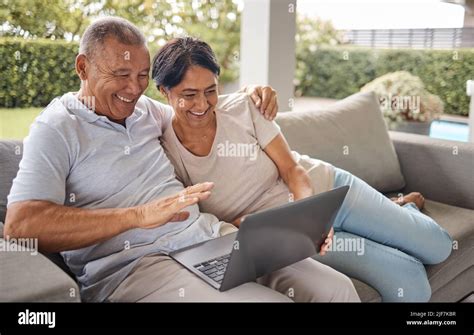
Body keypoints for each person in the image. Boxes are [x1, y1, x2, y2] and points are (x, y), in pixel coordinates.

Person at [4, 17, 359, 303]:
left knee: (336, 288)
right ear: (83, 67)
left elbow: (195, 105)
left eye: (142, 76)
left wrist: (251, 95)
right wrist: (138, 217)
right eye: (121, 75)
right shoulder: (56, 128)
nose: (132, 89)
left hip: (205, 237)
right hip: (135, 267)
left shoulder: (144, 111)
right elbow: (21, 226)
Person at [155, 37, 453, 302]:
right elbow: (200, 222)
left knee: (439, 248)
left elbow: (292, 169)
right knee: (412, 287)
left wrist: (309, 219)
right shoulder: (162, 152)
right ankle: (397, 209)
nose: (203, 104)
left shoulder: (244, 108)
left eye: (210, 90)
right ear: (163, 92)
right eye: (189, 94)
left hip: (326, 191)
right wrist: (258, 225)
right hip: (289, 235)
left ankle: (405, 208)